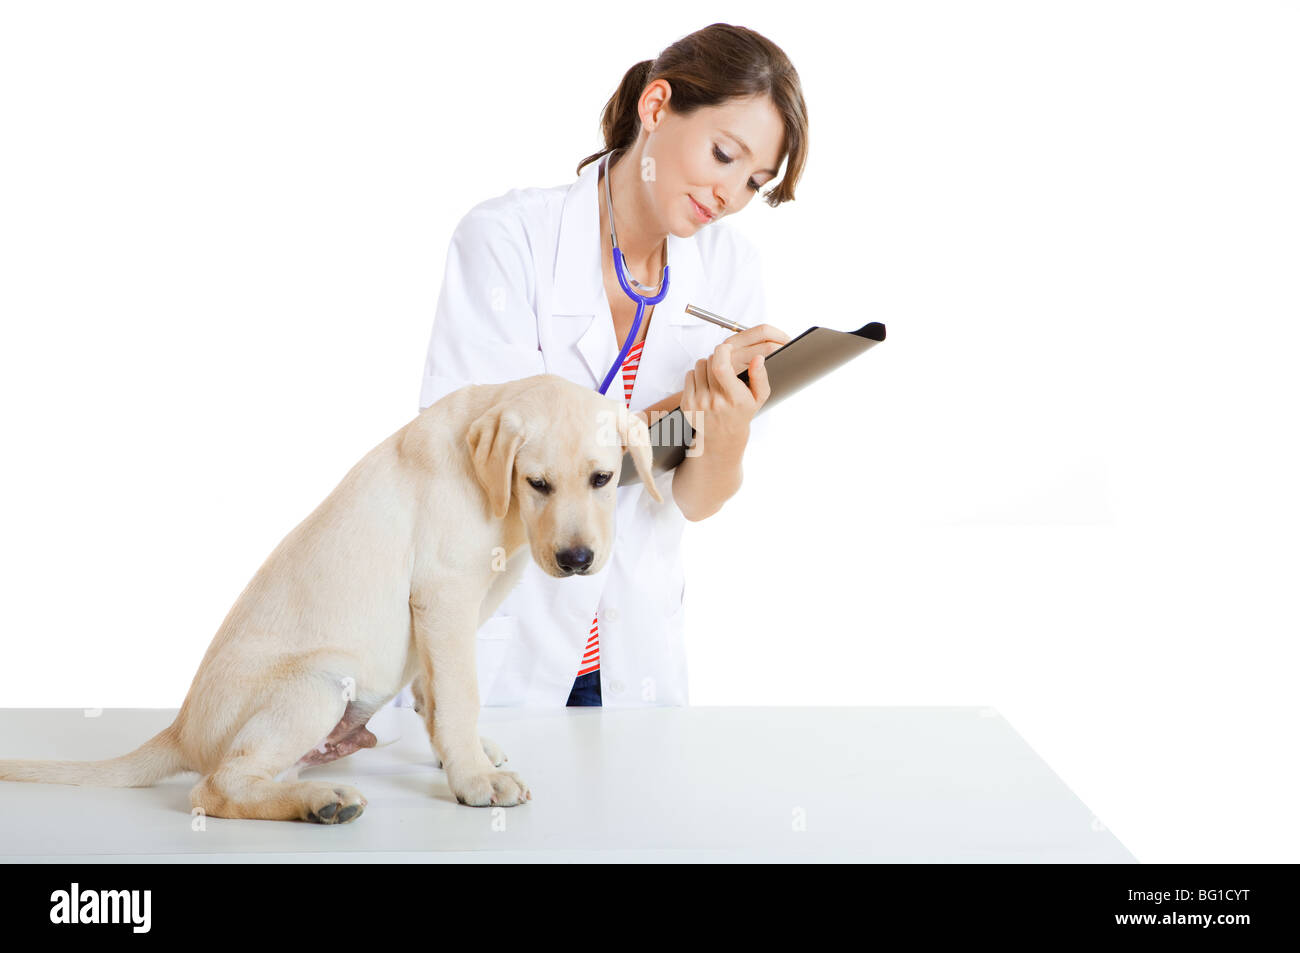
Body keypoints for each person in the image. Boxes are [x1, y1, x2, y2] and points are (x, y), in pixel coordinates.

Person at [389, 23, 808, 710]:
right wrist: (679, 414)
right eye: (724, 154)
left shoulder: (730, 271)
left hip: (628, 655)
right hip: (502, 634)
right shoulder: (508, 241)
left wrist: (724, 433)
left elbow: (694, 499)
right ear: (655, 107)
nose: (730, 193)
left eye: (754, 182)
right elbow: (479, 460)